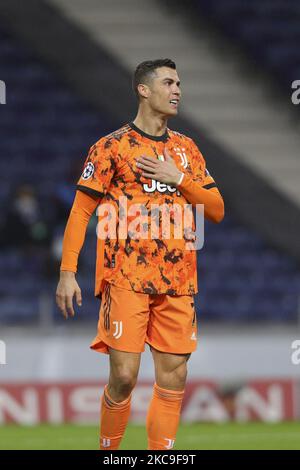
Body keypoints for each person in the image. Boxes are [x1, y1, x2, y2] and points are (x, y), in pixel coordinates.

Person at [56, 58, 224, 450]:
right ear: (143, 90)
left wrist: (178, 178)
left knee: (174, 376)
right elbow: (81, 211)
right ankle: (109, 452)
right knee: (125, 376)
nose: (177, 90)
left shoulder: (186, 150)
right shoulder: (111, 147)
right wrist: (67, 271)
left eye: (179, 83)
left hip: (178, 281)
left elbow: (215, 209)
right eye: (168, 82)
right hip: (126, 277)